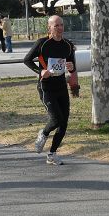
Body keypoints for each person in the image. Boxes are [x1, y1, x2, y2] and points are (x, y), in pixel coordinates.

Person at [23, 15, 80, 166]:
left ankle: (52, 154)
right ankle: (43, 133)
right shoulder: (42, 43)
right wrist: (40, 71)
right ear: (49, 28)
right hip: (46, 87)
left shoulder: (67, 44)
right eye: (56, 26)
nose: (60, 28)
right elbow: (27, 60)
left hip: (61, 86)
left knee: (64, 122)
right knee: (56, 119)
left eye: (61, 25)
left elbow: (72, 63)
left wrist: (71, 67)